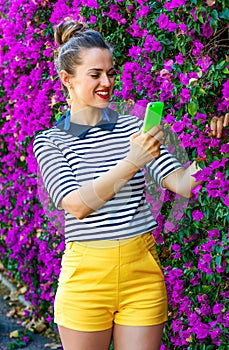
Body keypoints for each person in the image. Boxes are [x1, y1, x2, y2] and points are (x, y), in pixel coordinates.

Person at [33, 20, 228, 350]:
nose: (107, 82)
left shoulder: (133, 127)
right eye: (95, 74)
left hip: (142, 276)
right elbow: (78, 205)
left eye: (110, 72)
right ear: (67, 79)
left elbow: (182, 183)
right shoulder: (51, 141)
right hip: (86, 281)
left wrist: (216, 146)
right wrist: (132, 162)